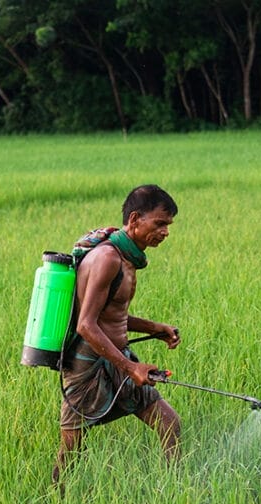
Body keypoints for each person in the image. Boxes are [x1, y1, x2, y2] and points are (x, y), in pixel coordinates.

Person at [52, 185, 181, 488]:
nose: (165, 232)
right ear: (135, 219)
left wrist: (155, 328)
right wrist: (131, 367)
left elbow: (113, 315)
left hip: (117, 357)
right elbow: (86, 324)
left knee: (169, 424)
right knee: (72, 448)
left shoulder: (126, 258)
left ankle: (174, 494)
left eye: (168, 226)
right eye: (159, 223)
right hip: (86, 362)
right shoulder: (107, 258)